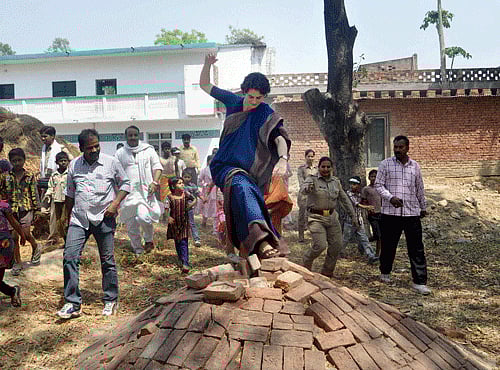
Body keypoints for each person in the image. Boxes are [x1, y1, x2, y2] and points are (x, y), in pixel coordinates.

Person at [199, 53, 291, 259]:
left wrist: (283, 159)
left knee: (244, 198)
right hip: (224, 166)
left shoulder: (265, 112)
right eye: (251, 97)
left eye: (259, 98)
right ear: (243, 92)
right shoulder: (232, 101)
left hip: (251, 173)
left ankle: (242, 249)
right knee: (241, 186)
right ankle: (263, 241)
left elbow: (279, 139)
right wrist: (207, 64)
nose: (254, 102)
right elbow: (204, 84)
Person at [57, 129, 130, 319]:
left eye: (97, 145)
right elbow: (70, 194)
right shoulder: (74, 165)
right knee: (70, 257)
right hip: (79, 219)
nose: (95, 150)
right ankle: (72, 303)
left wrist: (115, 204)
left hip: (104, 218)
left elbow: (126, 184)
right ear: (81, 148)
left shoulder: (111, 163)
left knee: (107, 261)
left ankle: (111, 299)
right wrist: (65, 218)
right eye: (90, 148)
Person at [375, 135, 430, 295]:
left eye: (401, 147)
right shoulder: (385, 164)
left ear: (407, 148)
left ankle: (419, 282)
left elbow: (419, 187)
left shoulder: (415, 166)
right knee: (388, 245)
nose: (398, 150)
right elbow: (378, 185)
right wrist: (390, 198)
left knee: (416, 247)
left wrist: (422, 207)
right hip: (390, 213)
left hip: (411, 213)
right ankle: (385, 273)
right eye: (396, 147)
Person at [301, 157, 358, 277]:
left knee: (336, 246)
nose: (325, 169)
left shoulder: (336, 182)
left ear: (332, 168)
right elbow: (304, 190)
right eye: (323, 166)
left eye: (328, 167)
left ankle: (327, 273)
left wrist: (353, 216)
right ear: (319, 167)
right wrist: (307, 188)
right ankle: (306, 263)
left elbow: (344, 200)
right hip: (316, 218)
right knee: (320, 245)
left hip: (332, 218)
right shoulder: (312, 179)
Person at [115, 126, 163, 255]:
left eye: (135, 135)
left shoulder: (148, 150)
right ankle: (137, 248)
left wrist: (155, 182)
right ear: (126, 137)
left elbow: (157, 167)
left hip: (145, 191)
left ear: (139, 135)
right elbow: (115, 172)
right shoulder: (120, 153)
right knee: (131, 223)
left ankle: (148, 239)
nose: (133, 138)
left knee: (144, 217)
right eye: (130, 135)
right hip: (128, 193)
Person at [2, 148, 41, 275]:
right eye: (14, 161)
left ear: (24, 160)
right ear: (10, 161)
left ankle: (35, 246)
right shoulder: (6, 177)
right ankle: (17, 262)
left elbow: (34, 193)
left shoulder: (29, 176)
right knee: (14, 237)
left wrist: (37, 210)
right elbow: (2, 192)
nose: (17, 163)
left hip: (26, 209)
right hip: (11, 210)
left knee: (26, 233)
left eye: (19, 160)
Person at [39, 126, 73, 246]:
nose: (43, 139)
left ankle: (66, 239)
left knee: (65, 218)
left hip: (64, 192)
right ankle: (53, 237)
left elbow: (71, 161)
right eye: (42, 136)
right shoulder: (44, 149)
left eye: (45, 136)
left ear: (53, 136)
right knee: (53, 215)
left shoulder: (60, 148)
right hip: (51, 183)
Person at [342, 176, 379, 264]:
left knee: (364, 239)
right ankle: (339, 252)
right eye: (351, 184)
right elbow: (356, 204)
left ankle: (370, 255)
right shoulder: (348, 193)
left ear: (358, 185)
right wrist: (367, 207)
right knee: (345, 239)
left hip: (359, 220)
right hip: (349, 220)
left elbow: (364, 202)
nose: (352, 186)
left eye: (354, 184)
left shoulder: (360, 194)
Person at [166, 177, 196, 273]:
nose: (182, 184)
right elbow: (166, 208)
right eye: (179, 183)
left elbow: (194, 199)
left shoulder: (185, 194)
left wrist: (191, 205)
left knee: (184, 242)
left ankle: (185, 263)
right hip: (174, 223)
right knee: (177, 241)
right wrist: (168, 217)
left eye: (182, 183)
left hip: (184, 223)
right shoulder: (170, 197)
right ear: (173, 186)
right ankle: (180, 258)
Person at [0, 198, 26, 307]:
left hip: (3, 245)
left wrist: (22, 234)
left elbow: (13, 222)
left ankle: (12, 291)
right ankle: (12, 291)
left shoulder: (3, 206)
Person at [43, 151, 70, 247]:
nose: (63, 163)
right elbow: (51, 187)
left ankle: (68, 242)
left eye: (65, 161)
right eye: (61, 161)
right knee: (57, 222)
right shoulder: (54, 175)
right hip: (56, 201)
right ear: (57, 162)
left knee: (65, 222)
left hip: (67, 202)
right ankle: (61, 240)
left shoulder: (70, 174)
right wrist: (48, 195)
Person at [296, 149, 317, 242]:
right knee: (302, 215)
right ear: (305, 157)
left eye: (312, 156)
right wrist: (307, 188)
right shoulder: (301, 169)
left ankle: (315, 236)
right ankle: (301, 236)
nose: (310, 158)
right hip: (304, 195)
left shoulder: (317, 169)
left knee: (314, 215)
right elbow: (301, 182)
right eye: (308, 156)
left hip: (315, 195)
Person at [361, 169, 382, 256]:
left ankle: (377, 254)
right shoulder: (366, 189)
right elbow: (363, 201)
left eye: (376, 177)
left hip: (382, 214)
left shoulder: (381, 188)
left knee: (380, 236)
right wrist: (367, 210)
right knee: (377, 235)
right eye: (372, 176)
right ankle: (365, 242)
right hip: (372, 214)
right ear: (369, 178)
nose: (374, 178)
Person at [182, 170, 202, 247]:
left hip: (190, 207)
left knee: (191, 223)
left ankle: (196, 239)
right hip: (181, 207)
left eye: (188, 177)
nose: (187, 179)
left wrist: (203, 198)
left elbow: (197, 193)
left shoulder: (192, 185)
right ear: (182, 176)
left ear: (191, 178)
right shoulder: (180, 184)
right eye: (185, 177)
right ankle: (183, 238)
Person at [198, 155, 217, 228]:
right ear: (208, 161)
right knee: (206, 207)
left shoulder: (217, 170)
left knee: (215, 208)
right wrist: (205, 184)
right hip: (207, 191)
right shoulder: (204, 170)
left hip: (215, 191)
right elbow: (199, 181)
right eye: (211, 160)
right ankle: (204, 222)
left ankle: (215, 227)